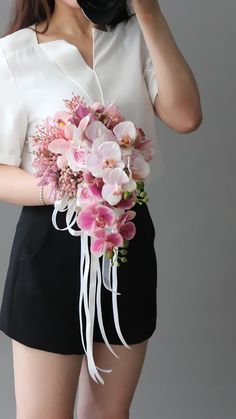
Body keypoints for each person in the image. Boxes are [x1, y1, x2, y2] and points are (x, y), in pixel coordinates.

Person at [0, 1, 202, 418]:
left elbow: (185, 117)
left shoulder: (134, 38)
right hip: (50, 248)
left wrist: (149, 13)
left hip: (126, 241)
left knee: (109, 414)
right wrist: (66, 182)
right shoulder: (13, 54)